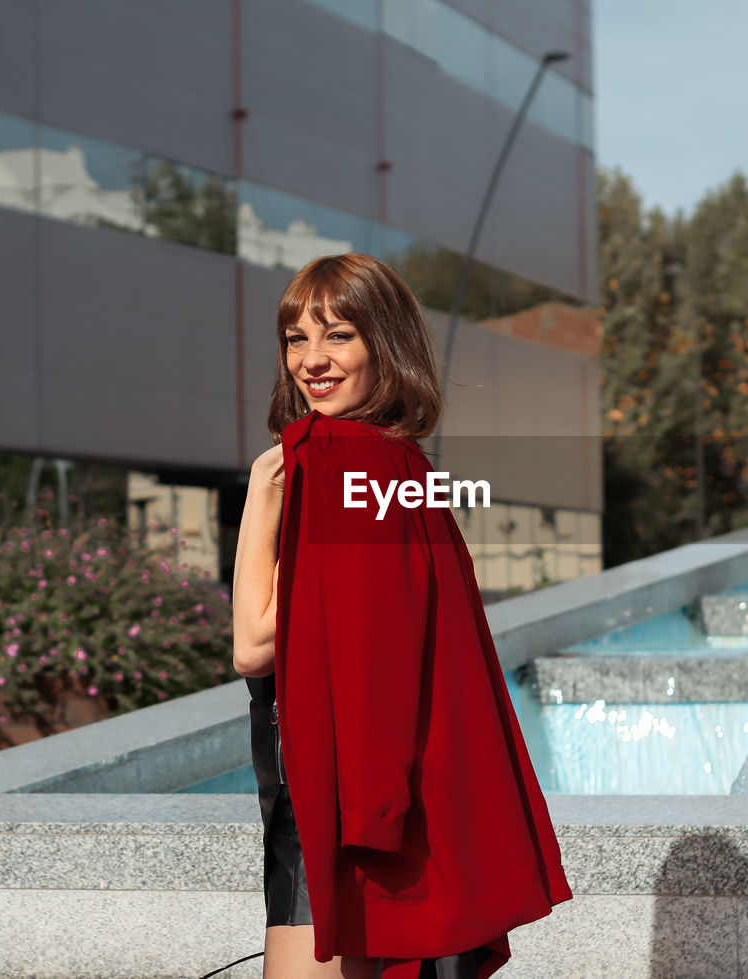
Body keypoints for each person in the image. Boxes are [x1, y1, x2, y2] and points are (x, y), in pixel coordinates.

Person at [232, 253, 572, 978]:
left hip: (335, 804)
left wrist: (262, 497)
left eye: (338, 336)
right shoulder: (404, 469)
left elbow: (254, 645)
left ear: (382, 345)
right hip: (386, 805)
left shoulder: (328, 462)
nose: (312, 360)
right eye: (296, 338)